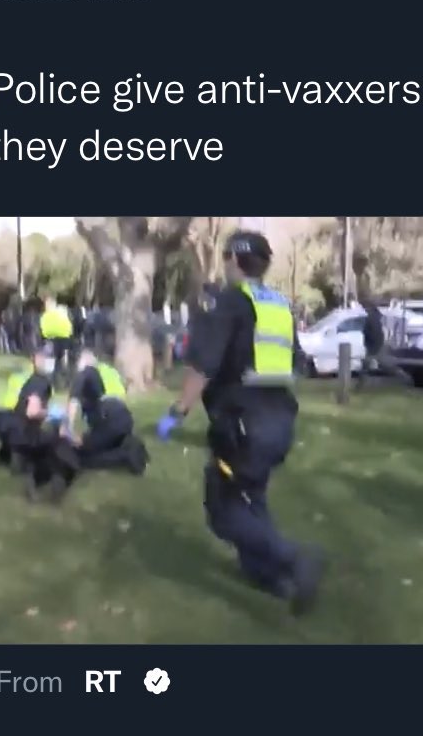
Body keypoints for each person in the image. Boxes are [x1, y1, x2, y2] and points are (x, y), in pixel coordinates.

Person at [156, 230, 324, 612]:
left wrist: (177, 412)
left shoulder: (228, 302)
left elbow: (203, 367)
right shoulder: (278, 306)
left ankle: (294, 559)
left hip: (241, 427)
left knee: (223, 511)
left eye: (225, 256)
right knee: (252, 499)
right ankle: (271, 578)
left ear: (234, 259)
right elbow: (294, 361)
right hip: (278, 421)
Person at [0, 347, 79, 501]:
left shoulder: (31, 380)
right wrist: (51, 413)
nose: (48, 361)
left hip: (13, 430)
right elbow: (32, 412)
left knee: (49, 446)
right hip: (26, 433)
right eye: (44, 358)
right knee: (64, 449)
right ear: (36, 360)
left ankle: (28, 468)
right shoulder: (41, 382)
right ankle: (54, 480)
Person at [64, 350, 149, 474]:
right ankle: (129, 444)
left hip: (111, 419)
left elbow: (74, 400)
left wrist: (68, 427)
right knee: (100, 443)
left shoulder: (84, 373)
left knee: (80, 454)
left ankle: (124, 455)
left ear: (82, 362)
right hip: (122, 416)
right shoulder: (97, 378)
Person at [40, 298, 73, 386]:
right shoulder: (62, 313)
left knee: (52, 361)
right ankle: (63, 381)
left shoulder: (47, 315)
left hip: (53, 340)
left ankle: (51, 381)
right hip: (63, 339)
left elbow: (44, 328)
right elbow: (69, 326)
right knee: (61, 361)